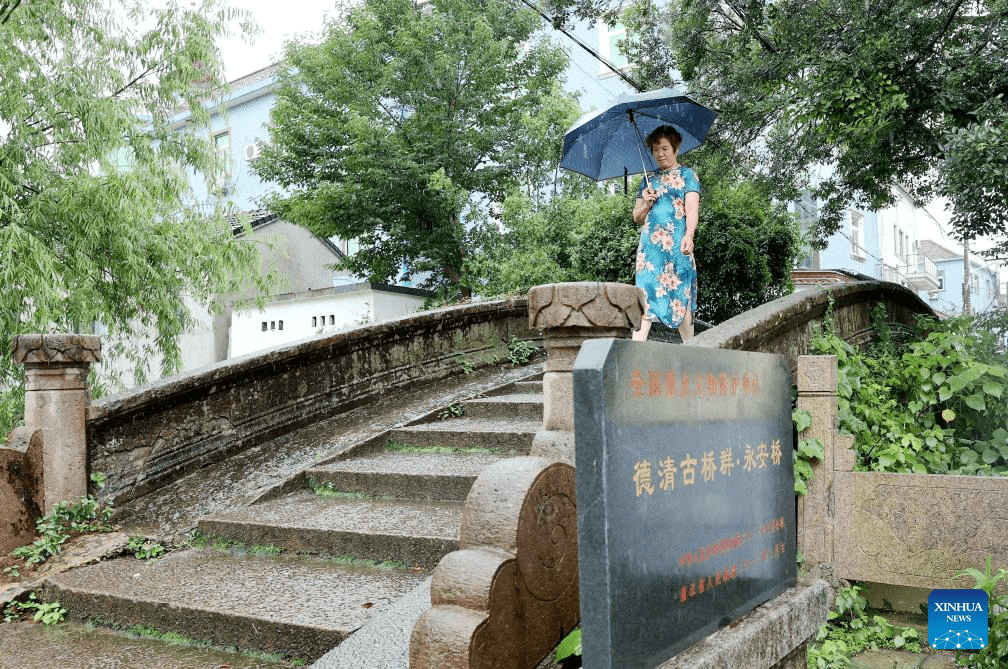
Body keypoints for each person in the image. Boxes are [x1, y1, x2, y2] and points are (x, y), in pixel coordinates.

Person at [631, 125, 701, 342]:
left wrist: (689, 236)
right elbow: (637, 217)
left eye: (665, 148)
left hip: (678, 248)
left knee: (681, 299)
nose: (660, 154)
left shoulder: (688, 175)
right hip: (650, 253)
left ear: (676, 148)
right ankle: (634, 355)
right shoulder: (647, 181)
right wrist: (646, 203)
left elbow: (691, 211)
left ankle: (692, 353)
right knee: (644, 299)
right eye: (655, 149)